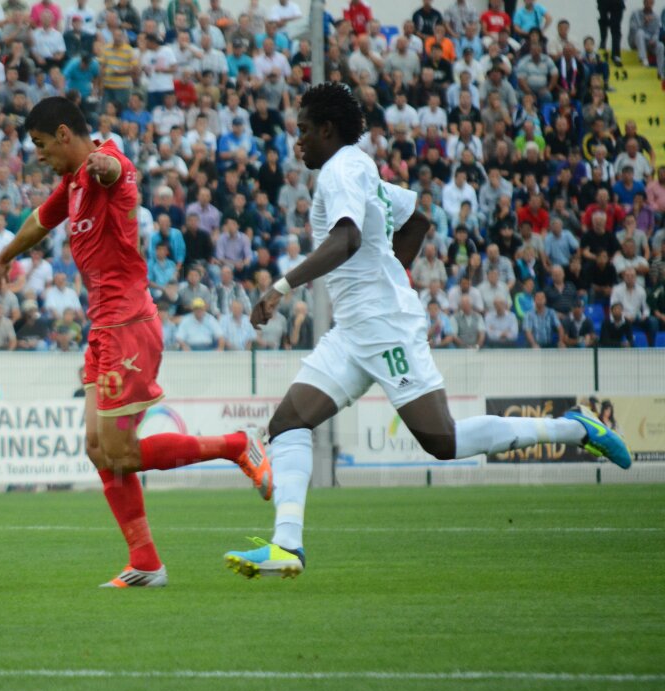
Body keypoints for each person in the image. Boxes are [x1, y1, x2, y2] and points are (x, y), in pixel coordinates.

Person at [225, 84, 631, 581]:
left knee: (443, 441)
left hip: (383, 327)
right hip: (355, 329)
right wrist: (390, 280)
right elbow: (416, 219)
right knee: (288, 424)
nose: (298, 141)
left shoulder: (339, 171)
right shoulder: (359, 166)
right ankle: (287, 545)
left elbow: (347, 237)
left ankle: (576, 428)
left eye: (304, 130)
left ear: (327, 130)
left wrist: (281, 288)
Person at [0, 97, 269, 589]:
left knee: (121, 452)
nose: (39, 155)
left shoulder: (105, 166)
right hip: (102, 327)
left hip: (128, 324)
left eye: (40, 144)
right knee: (98, 448)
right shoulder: (72, 184)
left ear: (63, 135)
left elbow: (115, 170)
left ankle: (238, 445)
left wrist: (105, 165)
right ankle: (145, 562)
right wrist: (4, 256)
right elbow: (40, 220)